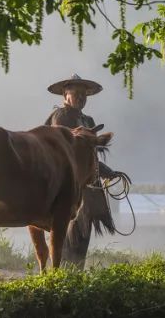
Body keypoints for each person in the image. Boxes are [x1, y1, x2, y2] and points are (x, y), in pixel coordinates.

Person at [44, 74, 117, 267]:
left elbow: (90, 153)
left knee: (83, 230)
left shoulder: (87, 119)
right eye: (75, 93)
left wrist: (105, 170)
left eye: (84, 94)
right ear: (65, 95)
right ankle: (63, 271)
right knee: (69, 226)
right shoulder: (60, 116)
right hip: (67, 183)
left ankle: (76, 272)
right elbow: (67, 152)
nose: (80, 97)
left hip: (86, 181)